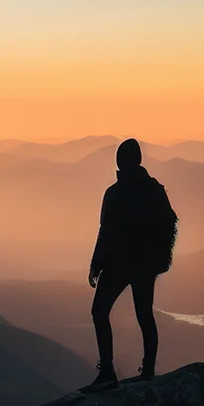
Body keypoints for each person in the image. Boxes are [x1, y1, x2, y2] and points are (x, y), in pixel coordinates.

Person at [83, 138, 177, 390]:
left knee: (99, 312)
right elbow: (170, 224)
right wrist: (161, 259)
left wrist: (96, 266)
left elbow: (106, 232)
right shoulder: (155, 189)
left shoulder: (115, 193)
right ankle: (147, 370)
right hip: (146, 264)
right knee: (144, 314)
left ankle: (107, 373)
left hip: (118, 263)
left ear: (121, 163)